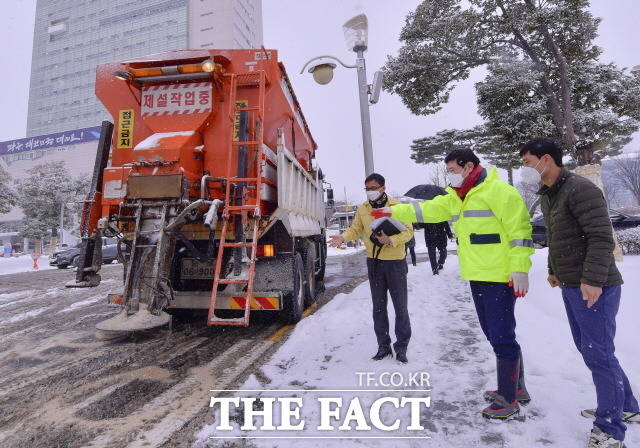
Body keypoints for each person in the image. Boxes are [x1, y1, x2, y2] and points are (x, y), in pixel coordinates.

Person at [371, 149, 534, 420]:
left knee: (502, 336)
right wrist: (393, 210)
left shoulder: (499, 192)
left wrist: (520, 269)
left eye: (453, 170)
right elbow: (430, 209)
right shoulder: (459, 195)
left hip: (501, 276)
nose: (450, 176)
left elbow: (520, 232)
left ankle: (508, 400)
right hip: (478, 274)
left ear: (468, 166)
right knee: (495, 335)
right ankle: (516, 389)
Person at [520, 138, 639, 448]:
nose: (525, 170)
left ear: (545, 159)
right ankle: (626, 406)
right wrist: (552, 269)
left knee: (599, 354)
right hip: (574, 283)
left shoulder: (580, 189)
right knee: (594, 351)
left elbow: (601, 238)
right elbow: (558, 238)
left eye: (526, 162)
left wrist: (592, 280)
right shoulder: (551, 194)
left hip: (595, 285)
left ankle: (610, 430)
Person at [329, 173, 414, 363]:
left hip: (395, 263)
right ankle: (383, 346)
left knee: (401, 307)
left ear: (383, 188)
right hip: (374, 262)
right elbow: (355, 229)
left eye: (373, 188)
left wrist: (390, 240)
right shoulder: (363, 208)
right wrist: (342, 237)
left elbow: (409, 232)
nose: (370, 192)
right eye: (367, 189)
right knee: (378, 307)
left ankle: (401, 347)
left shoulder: (397, 207)